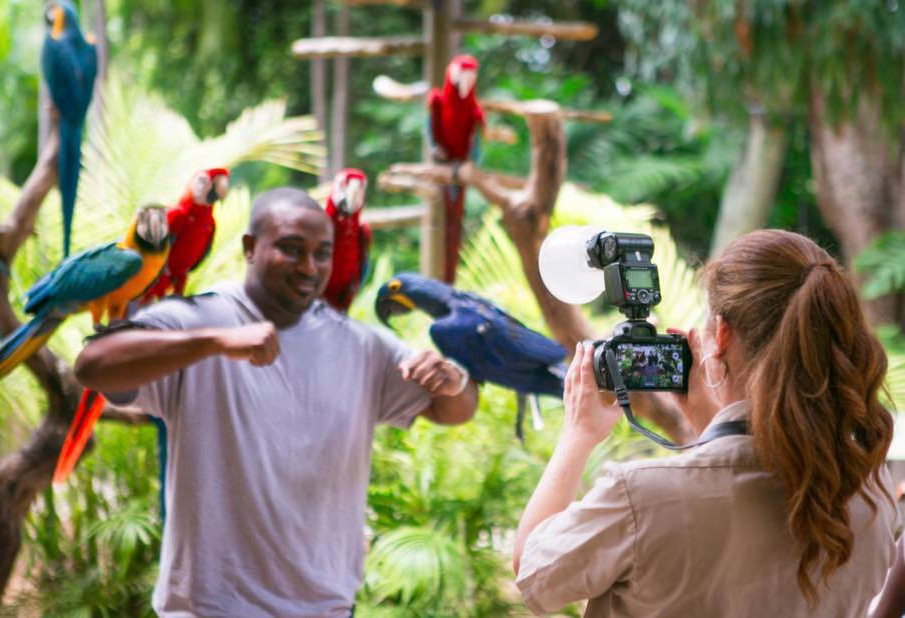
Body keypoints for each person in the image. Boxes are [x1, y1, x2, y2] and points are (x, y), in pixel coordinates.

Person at [74, 188, 478, 616]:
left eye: (322, 254)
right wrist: (214, 342)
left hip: (324, 608)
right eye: (291, 249)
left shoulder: (359, 344)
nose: (309, 267)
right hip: (209, 608)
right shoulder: (196, 318)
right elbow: (93, 365)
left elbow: (454, 410)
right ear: (250, 247)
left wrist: (452, 382)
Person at [512, 229, 900, 617]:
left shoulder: (641, 497)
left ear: (721, 337)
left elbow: (532, 570)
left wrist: (578, 435)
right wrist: (710, 422)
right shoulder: (869, 495)